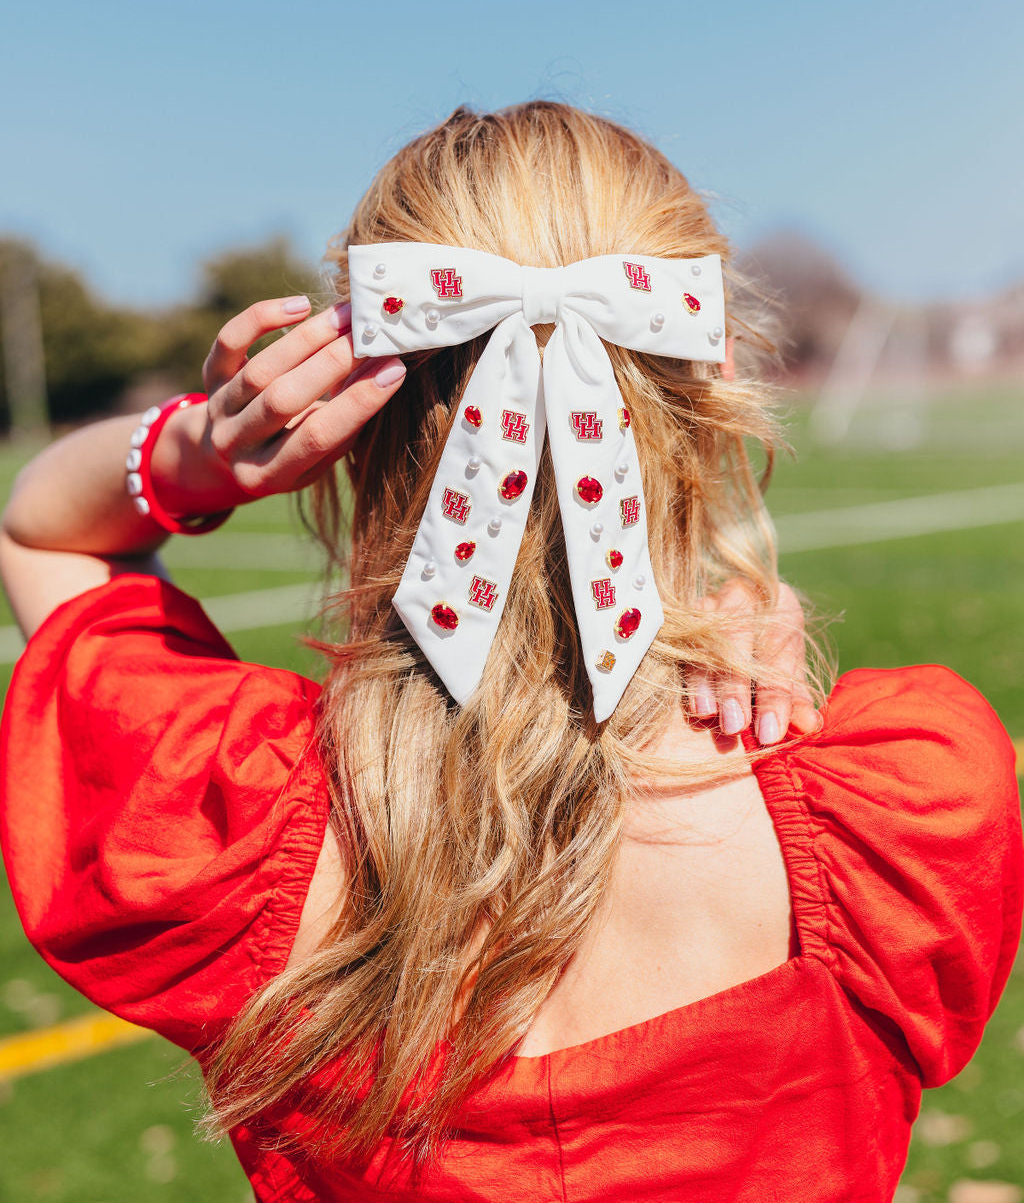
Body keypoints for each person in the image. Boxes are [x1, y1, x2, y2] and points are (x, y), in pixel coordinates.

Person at [0, 102, 1020, 1203]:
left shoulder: (219, 808)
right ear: (710, 365)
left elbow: (39, 528)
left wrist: (198, 452)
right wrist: (736, 588)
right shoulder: (905, 803)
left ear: (350, 398)